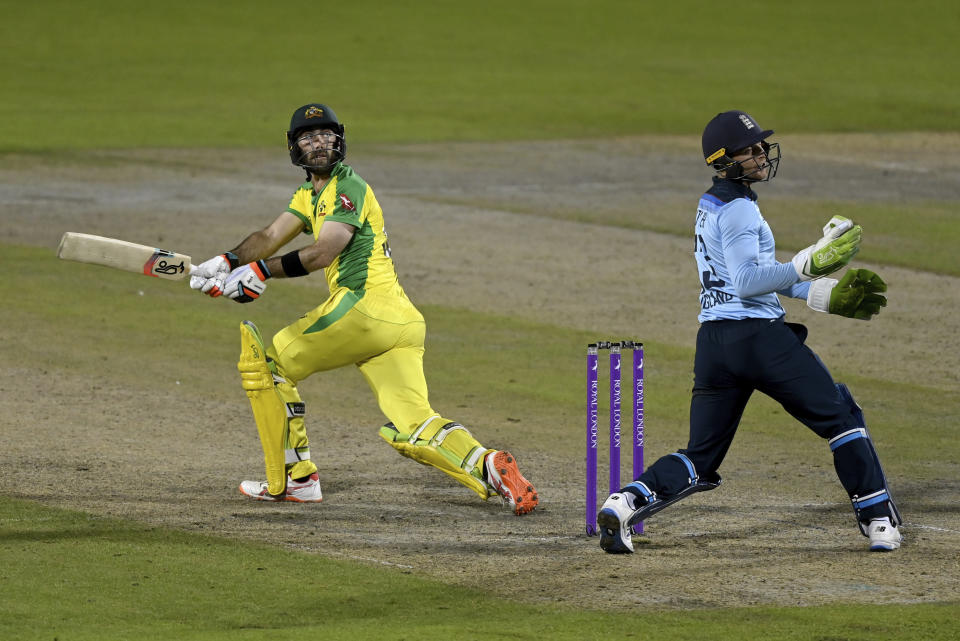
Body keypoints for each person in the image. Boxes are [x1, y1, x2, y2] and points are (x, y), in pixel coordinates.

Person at [189, 103, 538, 515]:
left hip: (363, 309)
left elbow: (325, 251)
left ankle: (295, 479)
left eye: (325, 134)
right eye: (308, 136)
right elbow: (270, 234)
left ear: (339, 140)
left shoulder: (348, 186)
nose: (318, 142)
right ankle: (488, 464)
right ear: (293, 147)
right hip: (401, 323)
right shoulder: (308, 194)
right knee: (414, 422)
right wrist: (227, 262)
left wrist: (260, 273)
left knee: (267, 368)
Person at [597, 110, 901, 553]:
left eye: (761, 146)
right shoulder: (739, 210)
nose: (761, 154)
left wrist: (824, 294)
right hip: (760, 341)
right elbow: (747, 281)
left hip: (715, 346)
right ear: (724, 159)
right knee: (842, 419)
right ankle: (878, 522)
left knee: (700, 458)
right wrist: (805, 263)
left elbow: (759, 276)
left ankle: (625, 503)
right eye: (750, 148)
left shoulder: (713, 204)